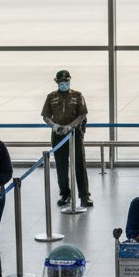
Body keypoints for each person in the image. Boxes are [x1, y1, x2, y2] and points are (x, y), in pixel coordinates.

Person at [42, 69, 92, 209]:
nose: (64, 84)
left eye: (66, 81)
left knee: (79, 165)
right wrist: (54, 125)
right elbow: (46, 116)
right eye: (61, 82)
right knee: (61, 166)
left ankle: (84, 196)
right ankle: (65, 194)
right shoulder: (51, 97)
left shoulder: (77, 95)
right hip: (58, 135)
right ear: (57, 82)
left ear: (70, 81)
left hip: (74, 134)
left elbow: (82, 115)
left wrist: (70, 126)